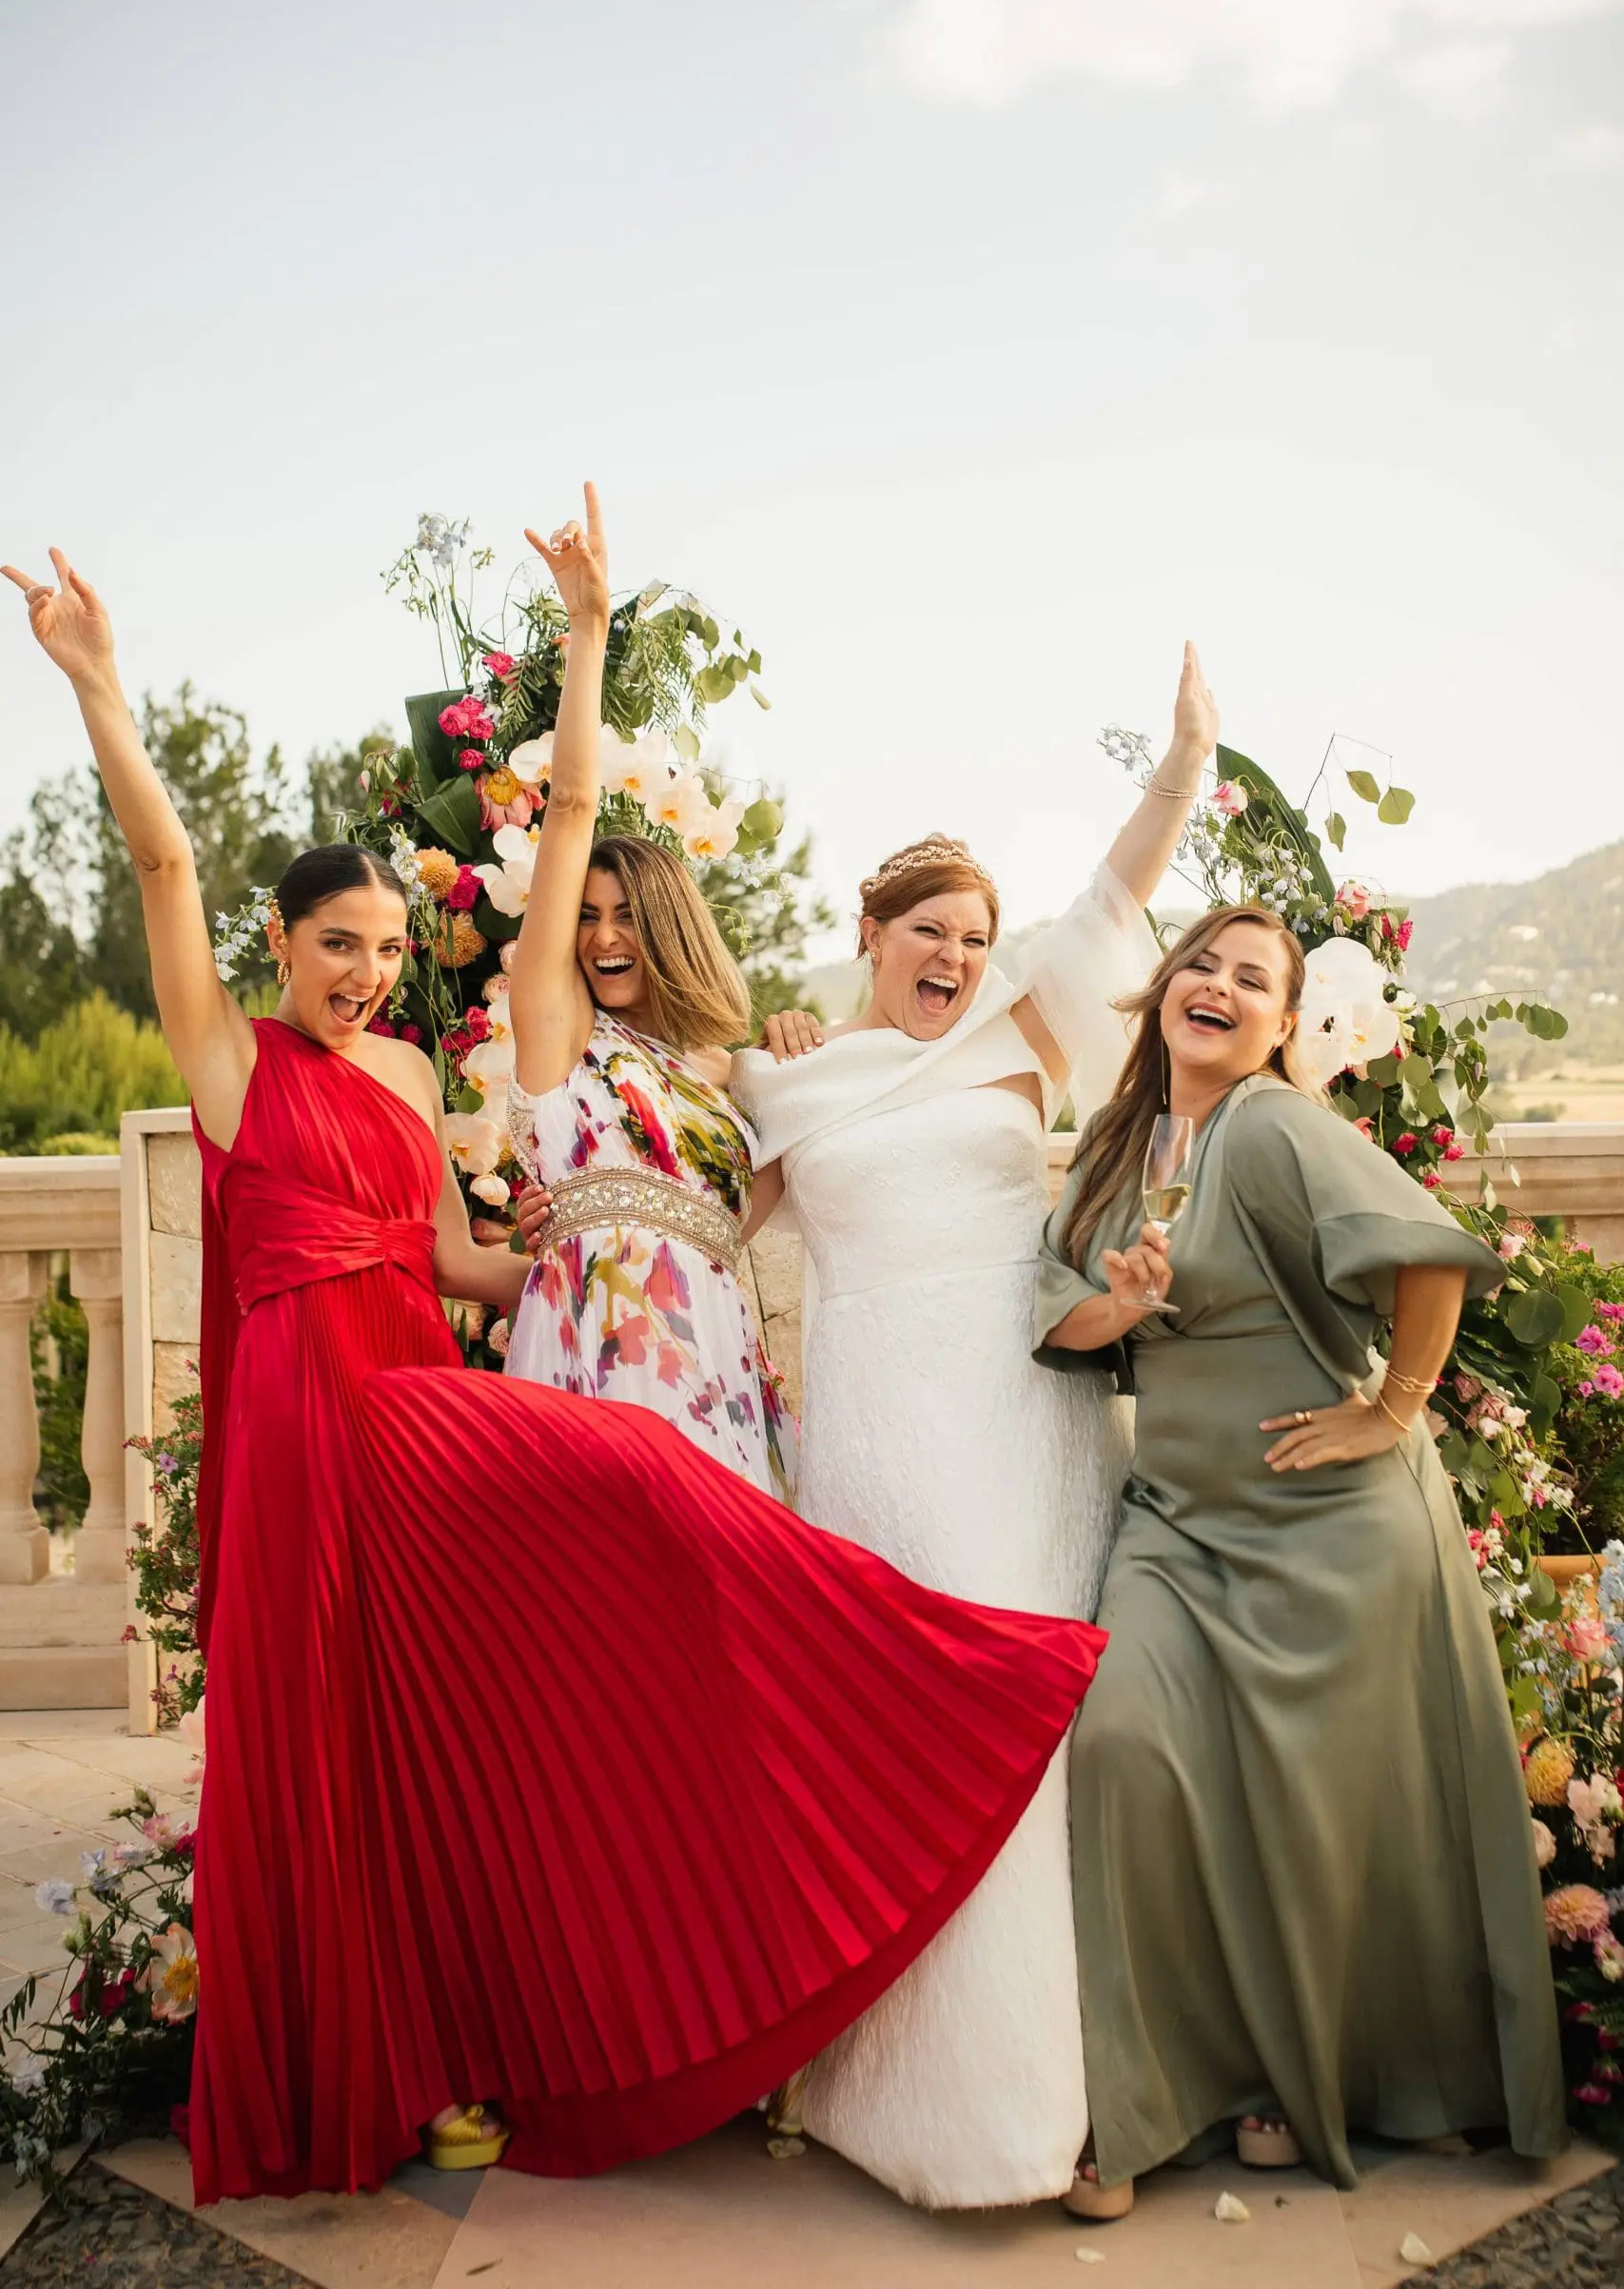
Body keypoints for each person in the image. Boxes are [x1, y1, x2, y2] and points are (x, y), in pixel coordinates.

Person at [3, 545, 1111, 2204]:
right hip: (439, 1395)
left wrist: (622, 1203)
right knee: (556, 1713)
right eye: (334, 942)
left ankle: (736, 2026)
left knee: (683, 1705)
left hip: (654, 1364)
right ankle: (565, 2019)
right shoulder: (351, 1052)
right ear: (281, 944)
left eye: (385, 945)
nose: (366, 969)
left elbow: (455, 1259)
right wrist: (101, 680)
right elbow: (180, 862)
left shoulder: (460, 1074)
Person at [718, 652, 1219, 2211]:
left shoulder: (1020, 1032)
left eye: (973, 936)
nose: (953, 953)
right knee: (897, 1726)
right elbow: (700, 1232)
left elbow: (1116, 890)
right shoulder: (779, 1075)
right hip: (878, 1432)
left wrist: (1182, 762)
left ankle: (1073, 2098)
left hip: (1018, 1414)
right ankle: (896, 2089)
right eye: (927, 929)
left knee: (1031, 1713)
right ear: (868, 937)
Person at [1034, 903, 1567, 2219]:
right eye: (1200, 963)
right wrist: (1125, 1301)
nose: (1215, 985)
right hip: (1176, 1522)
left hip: (1326, 1525)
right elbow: (1061, 1319)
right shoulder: (1110, 1147)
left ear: (1279, 1026)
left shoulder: (1271, 1126)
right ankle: (1137, 2105)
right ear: (1165, 986)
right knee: (1121, 1747)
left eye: (1250, 978)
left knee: (1320, 1816)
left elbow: (1424, 1257)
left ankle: (1292, 2081)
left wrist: (1392, 1409)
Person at [500, 487, 792, 1497]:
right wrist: (588, 627)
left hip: (717, 1360)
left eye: (627, 915)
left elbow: (754, 1206)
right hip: (595, 1348)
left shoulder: (725, 1077)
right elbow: (573, 805)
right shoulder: (559, 1037)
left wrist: (804, 1037)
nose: (602, 936)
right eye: (585, 915)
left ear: (668, 928)